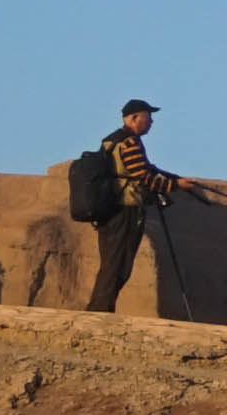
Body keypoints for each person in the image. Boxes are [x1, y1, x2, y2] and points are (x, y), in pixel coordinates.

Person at [83, 100, 209, 321]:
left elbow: (145, 170)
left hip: (110, 210)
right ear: (133, 119)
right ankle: (99, 312)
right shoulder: (129, 142)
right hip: (125, 209)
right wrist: (175, 186)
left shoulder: (112, 141)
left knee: (113, 262)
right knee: (118, 264)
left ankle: (100, 309)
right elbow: (143, 177)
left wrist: (172, 178)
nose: (151, 122)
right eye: (147, 117)